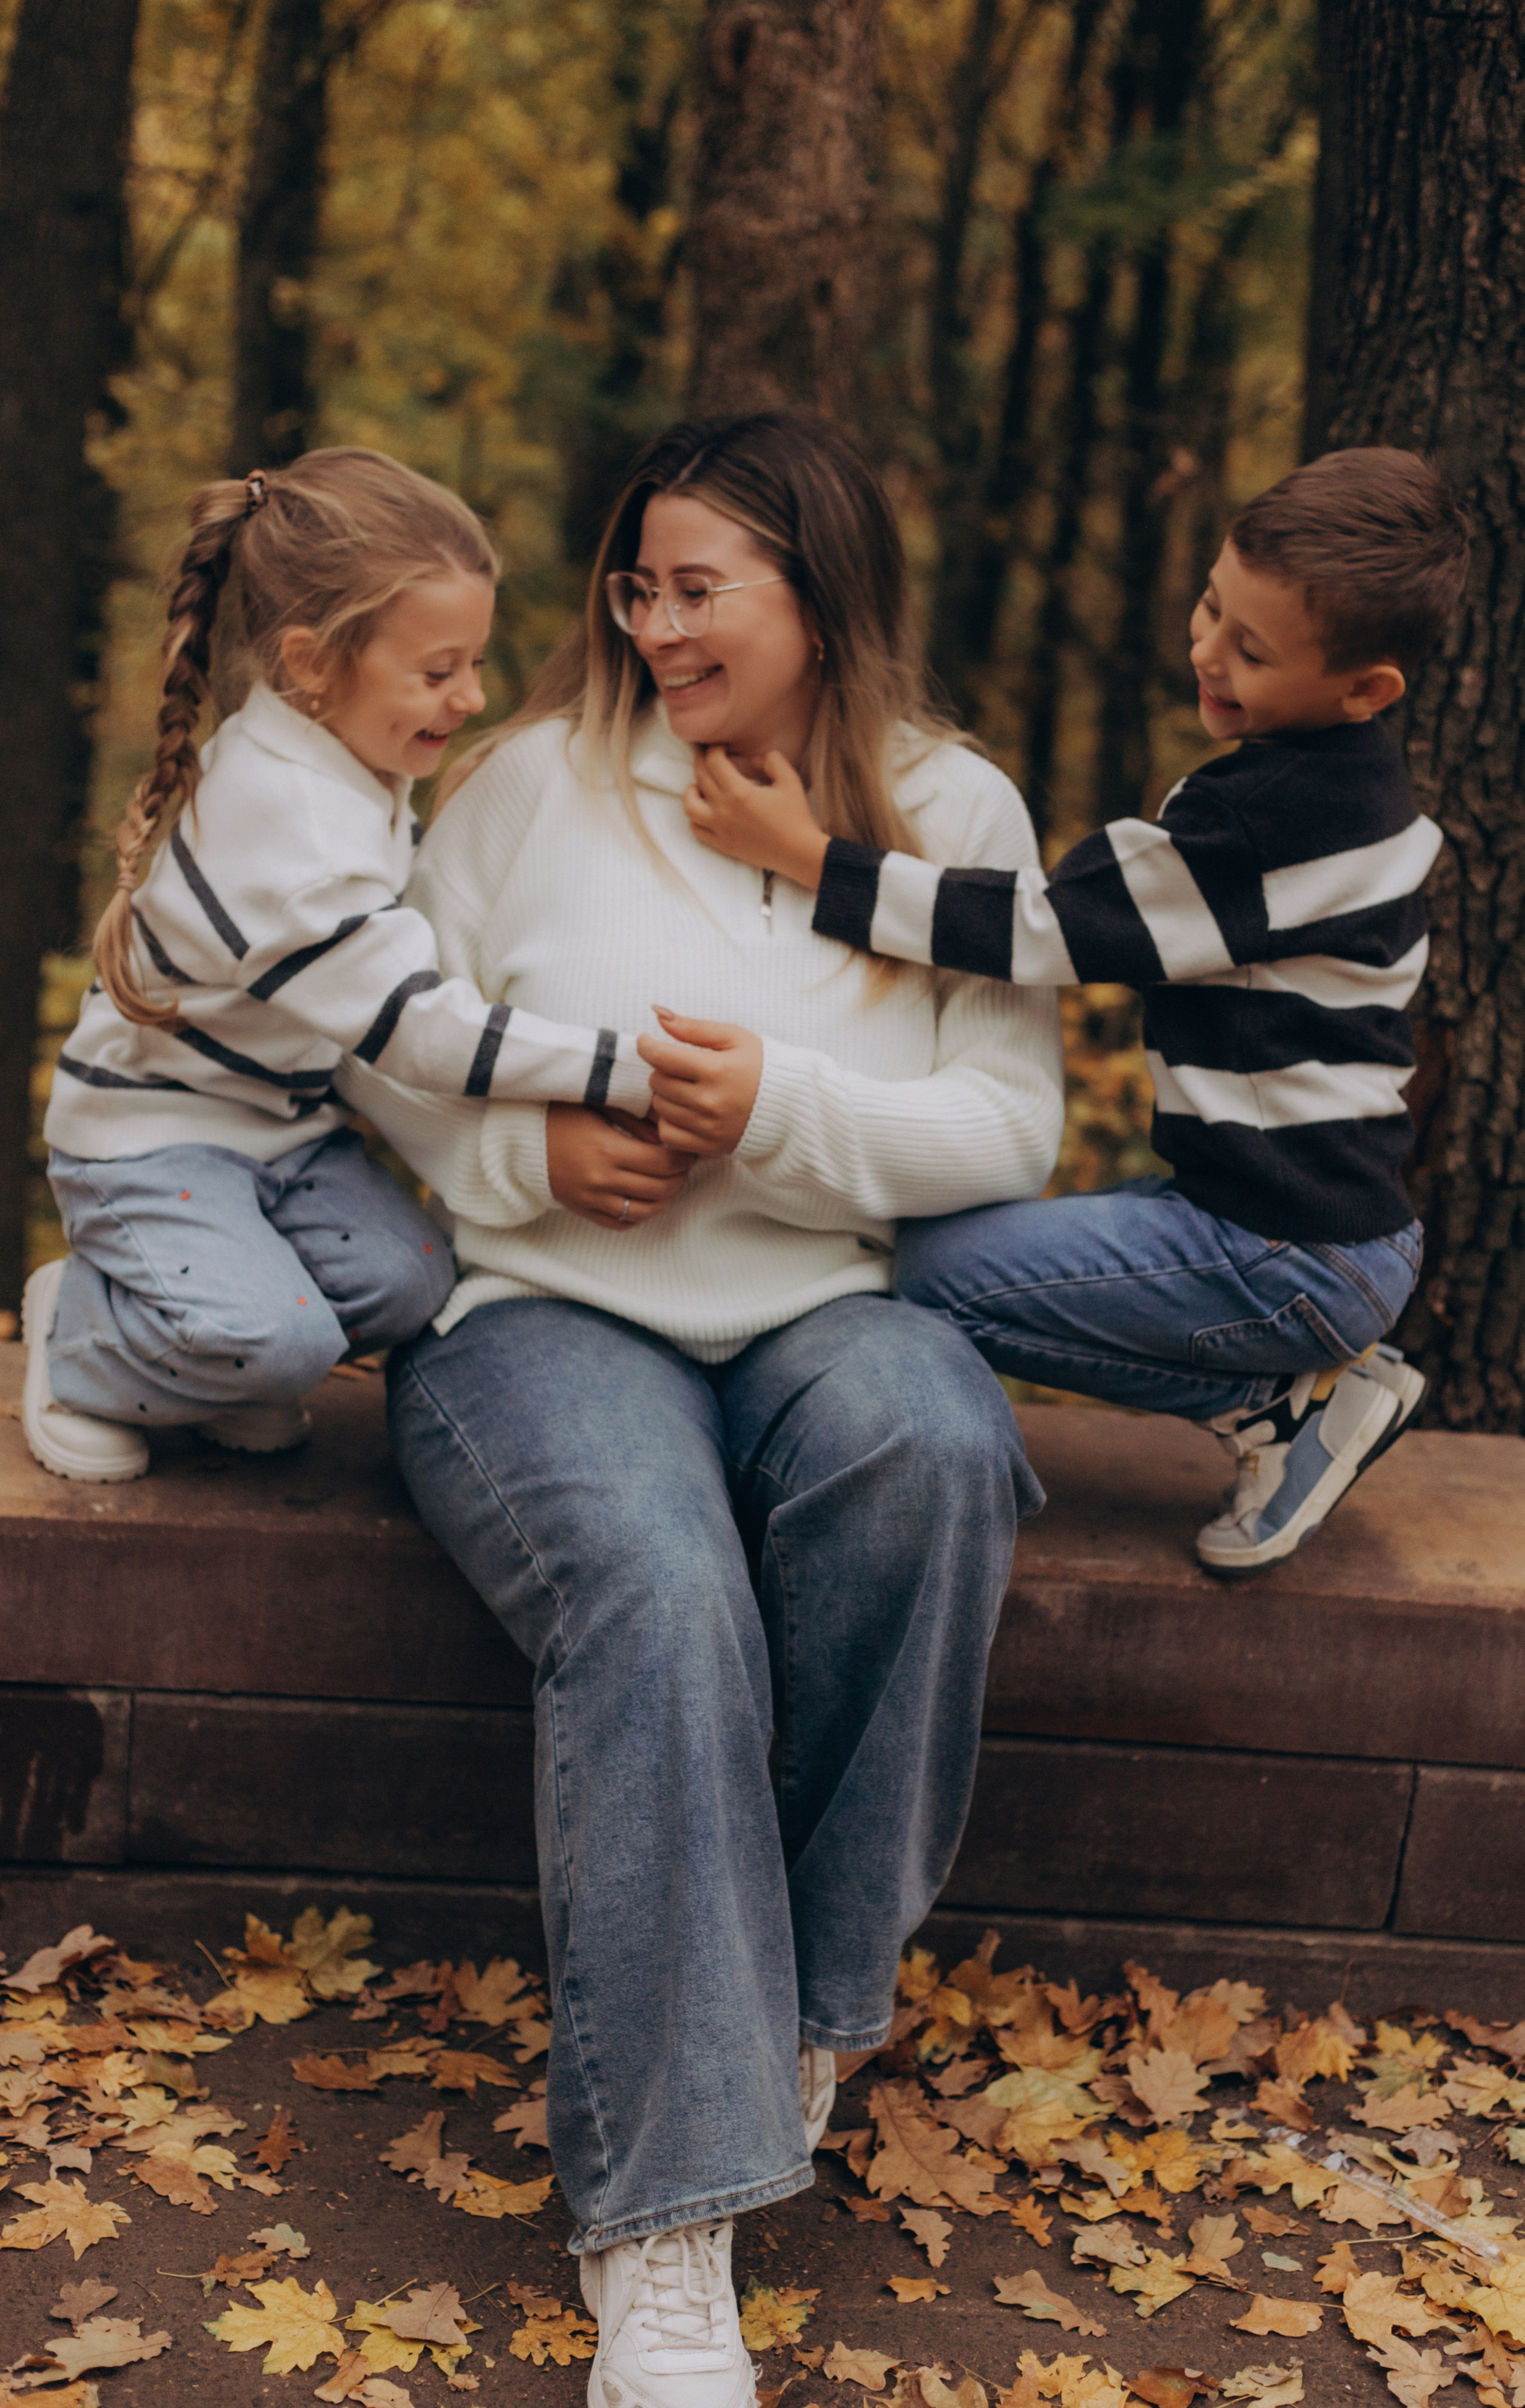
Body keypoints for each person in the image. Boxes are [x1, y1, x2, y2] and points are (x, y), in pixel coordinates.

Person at [341, 412, 1064, 2408]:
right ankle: (663, 2239)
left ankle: (814, 2014)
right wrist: (531, 1169)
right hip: (548, 1320)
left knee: (935, 1447)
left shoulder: (952, 813)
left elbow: (1009, 1126)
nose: (653, 624)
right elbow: (391, 1071)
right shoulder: (520, 793)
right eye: (633, 584)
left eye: (698, 588)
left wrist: (781, 1115)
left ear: (815, 593)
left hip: (830, 1315)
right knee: (655, 1586)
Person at [679, 445, 1470, 1576]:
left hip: (1278, 1248)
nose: (1207, 650)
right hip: (1317, 1227)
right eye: (1209, 606)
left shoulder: (1262, 825)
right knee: (963, 1259)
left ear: (1365, 691)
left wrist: (810, 859)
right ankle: (1302, 1391)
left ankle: (1280, 1408)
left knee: (938, 1277)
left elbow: (1041, 930)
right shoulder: (1354, 788)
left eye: (1251, 650)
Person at [23, 448, 654, 1485]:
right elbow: (420, 1029)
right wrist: (625, 1068)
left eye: (475, 664)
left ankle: (216, 1356)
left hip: (280, 1131)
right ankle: (84, 1339)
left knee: (407, 1287)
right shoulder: (285, 821)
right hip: (153, 1142)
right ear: (313, 664)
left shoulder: (344, 756)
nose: (470, 697)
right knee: (289, 1344)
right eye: (437, 671)